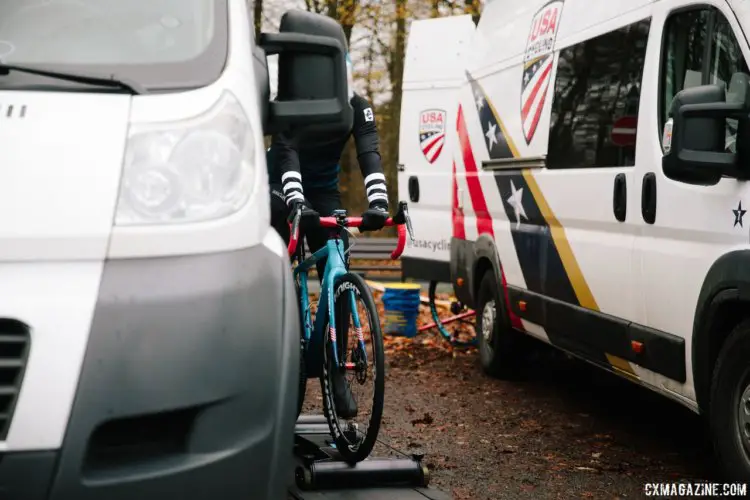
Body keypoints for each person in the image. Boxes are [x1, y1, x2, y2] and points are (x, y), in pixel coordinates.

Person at [267, 53, 389, 419]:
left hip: (323, 192)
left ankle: (334, 370)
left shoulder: (356, 105)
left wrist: (379, 203)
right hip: (280, 187)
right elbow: (287, 152)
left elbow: (369, 152)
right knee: (278, 266)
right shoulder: (290, 103)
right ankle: (281, 348)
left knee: (338, 263)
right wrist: (296, 204)